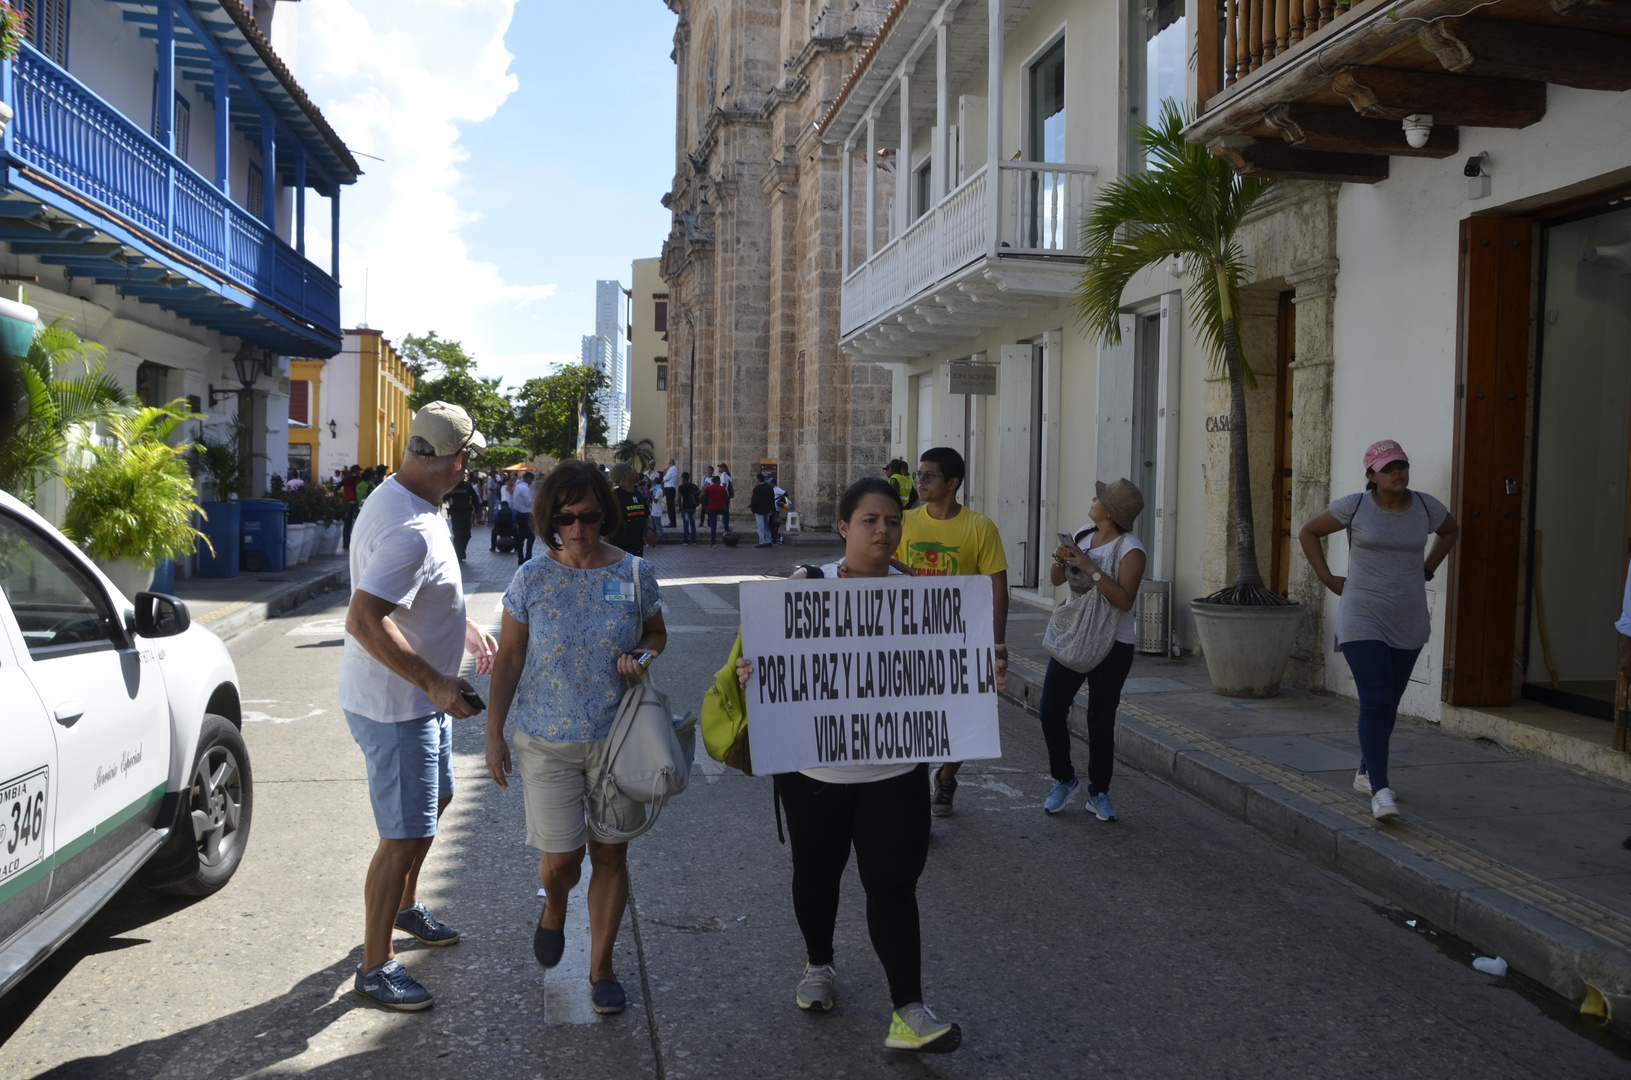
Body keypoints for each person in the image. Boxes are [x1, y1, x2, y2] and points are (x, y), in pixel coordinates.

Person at [735, 477, 964, 1054]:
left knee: (893, 886)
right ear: (844, 528)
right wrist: (752, 674)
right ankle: (819, 964)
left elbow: (941, 677)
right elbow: (759, 658)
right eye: (870, 521)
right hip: (814, 777)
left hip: (894, 776)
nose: (883, 530)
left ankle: (908, 1009)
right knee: (817, 875)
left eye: (892, 521)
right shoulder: (806, 587)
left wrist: (980, 671)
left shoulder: (924, 596)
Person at [484, 460, 667, 1017]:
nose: (578, 528)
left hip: (618, 742)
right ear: (549, 520)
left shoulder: (635, 574)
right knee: (561, 861)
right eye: (565, 517)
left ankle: (602, 967)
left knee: (610, 855)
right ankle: (554, 908)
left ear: (604, 514)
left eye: (588, 515)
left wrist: (644, 653)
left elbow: (655, 632)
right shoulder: (532, 578)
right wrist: (494, 734)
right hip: (546, 740)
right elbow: (510, 657)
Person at [340, 401, 498, 1011]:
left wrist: (463, 629)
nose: (468, 470)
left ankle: (403, 908)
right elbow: (364, 619)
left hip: (408, 698)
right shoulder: (411, 527)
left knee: (439, 799)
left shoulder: (402, 495)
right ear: (454, 460)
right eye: (467, 459)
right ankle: (375, 966)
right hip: (398, 704)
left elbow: (414, 600)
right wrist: (435, 682)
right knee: (404, 834)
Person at [1299, 439, 1459, 822]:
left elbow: (1451, 531)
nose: (1398, 472)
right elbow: (1308, 532)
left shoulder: (1425, 506)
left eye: (1402, 464)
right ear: (1372, 475)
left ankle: (1366, 770)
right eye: (1388, 467)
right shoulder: (1354, 506)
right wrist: (1326, 577)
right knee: (1375, 699)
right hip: (1362, 613)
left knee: (1389, 701)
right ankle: (1380, 791)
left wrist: (1428, 568)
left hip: (1408, 616)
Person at [893, 447, 1008, 818]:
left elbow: (997, 588)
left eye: (928, 476)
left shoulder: (979, 527)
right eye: (918, 475)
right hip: (909, 640)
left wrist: (996, 644)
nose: (919, 482)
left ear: (952, 483)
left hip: (961, 641)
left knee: (964, 719)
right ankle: (914, 803)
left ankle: (946, 775)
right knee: (912, 720)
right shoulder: (906, 521)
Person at [1038, 479, 1148, 820]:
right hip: (1075, 636)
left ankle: (1098, 792)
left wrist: (1091, 568)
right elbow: (1057, 581)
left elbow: (1125, 602)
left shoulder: (1131, 550)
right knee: (1050, 710)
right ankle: (1064, 778)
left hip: (1114, 643)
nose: (1093, 500)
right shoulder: (1084, 534)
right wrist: (1061, 559)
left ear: (1111, 512)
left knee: (1101, 719)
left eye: (1099, 499)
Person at [609, 463, 649, 557]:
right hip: (619, 552)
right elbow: (607, 528)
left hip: (637, 550)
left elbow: (646, 515)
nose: (635, 469)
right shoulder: (615, 497)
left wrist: (649, 529)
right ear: (625, 476)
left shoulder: (638, 494)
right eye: (631, 469)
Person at [443, 471, 478, 562]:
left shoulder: (467, 486)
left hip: (466, 512)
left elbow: (475, 498)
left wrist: (477, 510)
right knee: (457, 534)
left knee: (467, 534)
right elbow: (442, 498)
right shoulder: (450, 486)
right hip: (455, 513)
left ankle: (462, 551)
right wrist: (448, 494)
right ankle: (459, 554)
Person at [511, 471, 536, 564]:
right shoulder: (524, 488)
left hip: (519, 514)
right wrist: (535, 500)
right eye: (531, 480)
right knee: (531, 536)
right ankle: (528, 556)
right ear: (529, 478)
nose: (531, 482)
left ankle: (520, 556)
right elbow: (528, 502)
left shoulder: (518, 487)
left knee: (521, 536)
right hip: (526, 514)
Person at [701, 470, 729, 548]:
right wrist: (726, 505)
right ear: (719, 481)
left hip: (712, 508)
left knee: (713, 527)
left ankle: (713, 543)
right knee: (727, 512)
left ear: (712, 481)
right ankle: (726, 528)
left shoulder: (708, 488)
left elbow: (700, 496)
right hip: (721, 508)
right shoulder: (722, 489)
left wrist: (704, 505)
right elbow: (727, 499)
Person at [750, 472, 777, 547]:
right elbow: (772, 499)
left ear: (758, 479)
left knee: (760, 526)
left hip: (759, 510)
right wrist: (774, 509)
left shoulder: (757, 489)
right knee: (767, 525)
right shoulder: (769, 488)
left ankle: (761, 541)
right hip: (768, 509)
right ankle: (768, 540)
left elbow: (754, 500)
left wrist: (753, 508)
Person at [341, 464, 362, 550]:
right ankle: (353, 542)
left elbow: (339, 486)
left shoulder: (346, 478)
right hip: (354, 503)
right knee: (356, 523)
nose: (360, 472)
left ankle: (346, 542)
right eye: (358, 470)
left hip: (347, 502)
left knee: (348, 523)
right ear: (355, 470)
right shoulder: (356, 479)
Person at [678, 471, 700, 545]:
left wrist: (680, 507)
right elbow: (698, 494)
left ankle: (686, 540)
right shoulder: (694, 486)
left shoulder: (681, 487)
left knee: (686, 524)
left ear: (683, 478)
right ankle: (694, 540)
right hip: (693, 507)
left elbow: (679, 497)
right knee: (693, 524)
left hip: (685, 507)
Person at [717, 462, 735, 532]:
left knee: (725, 510)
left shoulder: (724, 475)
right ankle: (724, 523)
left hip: (725, 495)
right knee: (725, 509)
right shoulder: (725, 475)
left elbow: (724, 485)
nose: (719, 468)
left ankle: (725, 524)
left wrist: (721, 494)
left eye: (721, 467)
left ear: (724, 469)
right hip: (725, 495)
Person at [663, 458, 679, 527]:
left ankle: (672, 522)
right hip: (670, 489)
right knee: (670, 506)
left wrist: (664, 471)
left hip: (670, 489)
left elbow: (665, 479)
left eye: (668, 463)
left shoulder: (672, 469)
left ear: (670, 463)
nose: (667, 465)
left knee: (670, 507)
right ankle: (672, 521)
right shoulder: (673, 469)